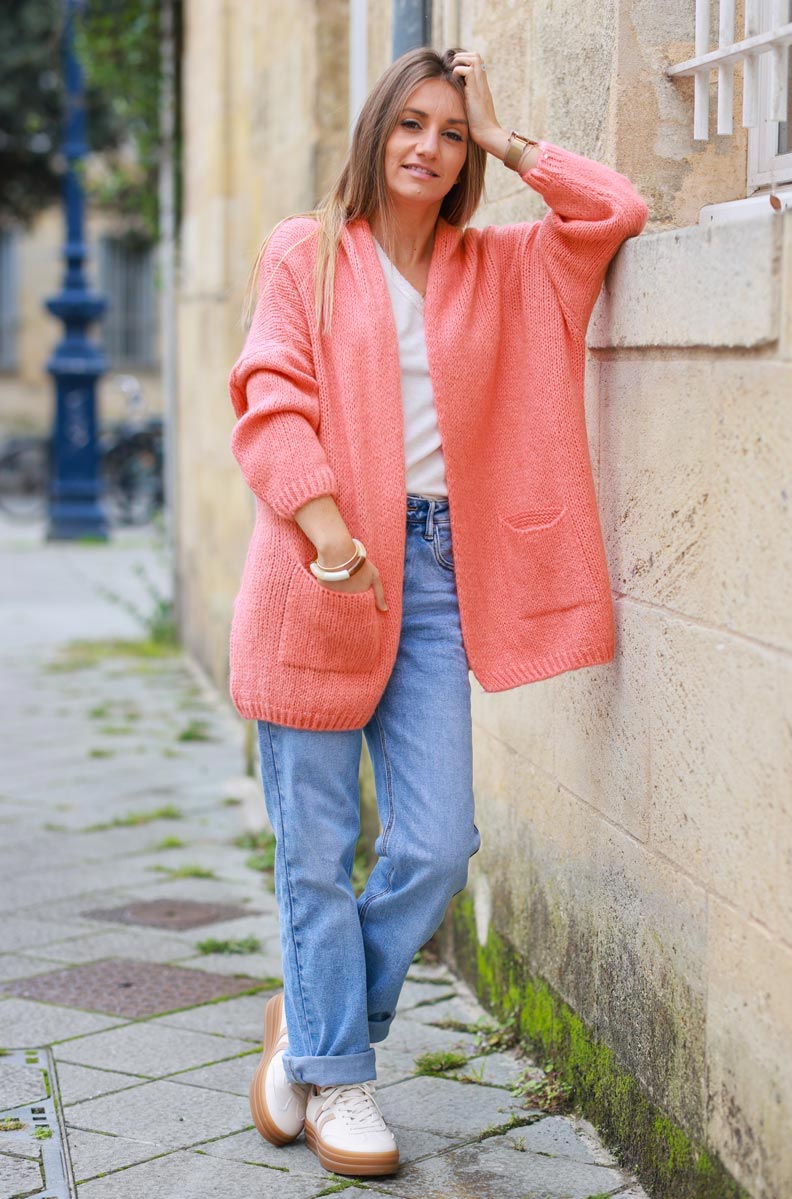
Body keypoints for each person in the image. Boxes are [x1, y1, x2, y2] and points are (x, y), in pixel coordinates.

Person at [228, 45, 649, 1179]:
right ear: (377, 132)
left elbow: (614, 210)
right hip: (319, 567)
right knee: (316, 852)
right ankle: (341, 1076)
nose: (430, 146)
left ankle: (308, 1021)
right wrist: (329, 538)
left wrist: (510, 139)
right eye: (412, 123)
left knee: (434, 843)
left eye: (452, 132)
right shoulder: (308, 253)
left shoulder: (500, 264)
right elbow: (269, 400)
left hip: (434, 575)